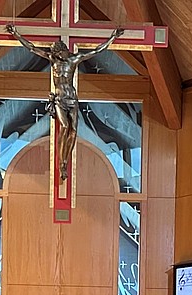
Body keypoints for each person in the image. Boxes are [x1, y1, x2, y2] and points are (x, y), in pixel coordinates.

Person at [6, 22, 120, 181]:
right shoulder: (54, 60)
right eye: (57, 53)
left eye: (60, 52)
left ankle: (65, 160)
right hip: (59, 99)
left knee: (73, 130)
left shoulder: (74, 59)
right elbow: (31, 48)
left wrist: (112, 38)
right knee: (65, 127)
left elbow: (96, 50)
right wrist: (16, 35)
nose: (59, 55)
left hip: (72, 99)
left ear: (65, 51)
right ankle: (62, 162)